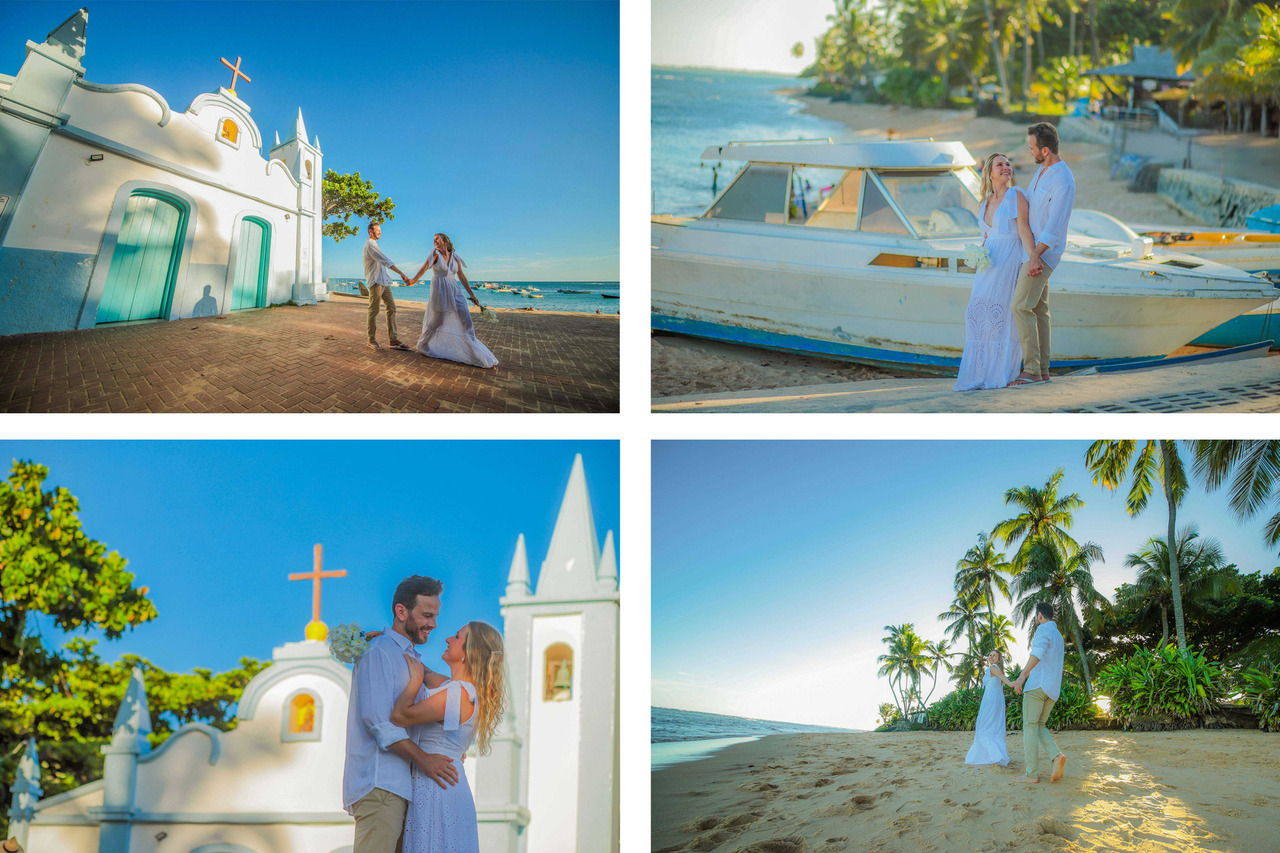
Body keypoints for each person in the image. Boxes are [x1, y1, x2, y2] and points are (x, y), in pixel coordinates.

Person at [343, 576, 458, 853]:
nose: (433, 624)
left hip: (403, 788)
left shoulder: (409, 658)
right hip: (380, 784)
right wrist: (425, 760)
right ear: (401, 611)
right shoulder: (379, 652)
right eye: (427, 615)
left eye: (435, 616)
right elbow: (379, 723)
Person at [391, 621, 508, 853]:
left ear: (469, 653)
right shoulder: (456, 688)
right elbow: (424, 670)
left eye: (456, 637)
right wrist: (388, 642)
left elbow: (400, 716)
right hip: (444, 780)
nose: (447, 639)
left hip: (435, 785)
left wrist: (414, 682)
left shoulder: (457, 695)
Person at [953, 153, 1036, 391]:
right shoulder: (984, 202)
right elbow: (985, 237)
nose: (1006, 167)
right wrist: (976, 254)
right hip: (987, 265)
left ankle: (1001, 373)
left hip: (1008, 261)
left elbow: (1024, 231)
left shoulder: (1016, 195)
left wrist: (1033, 259)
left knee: (1000, 318)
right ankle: (978, 372)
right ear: (990, 172)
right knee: (975, 315)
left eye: (1008, 164)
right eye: (1000, 164)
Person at [1010, 122, 1076, 385]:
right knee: (1038, 309)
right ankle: (1044, 371)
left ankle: (1032, 369)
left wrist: (1035, 256)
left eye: (1032, 148)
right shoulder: (1042, 171)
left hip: (1043, 254)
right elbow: (1030, 201)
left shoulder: (1063, 180)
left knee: (1020, 306)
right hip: (1033, 251)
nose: (1029, 152)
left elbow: (1054, 226)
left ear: (1045, 150)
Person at [409, 233, 499, 368]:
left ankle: (476, 354)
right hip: (439, 291)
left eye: (437, 239)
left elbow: (462, 276)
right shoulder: (434, 255)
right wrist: (413, 280)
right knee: (437, 321)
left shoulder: (455, 257)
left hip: (455, 291)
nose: (434, 242)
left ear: (445, 241)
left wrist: (472, 295)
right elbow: (423, 269)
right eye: (433, 240)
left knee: (466, 320)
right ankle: (423, 344)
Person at [1011, 601, 1067, 784]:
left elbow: (1037, 653)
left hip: (1037, 685)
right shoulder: (1059, 636)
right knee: (1039, 725)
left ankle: (1031, 774)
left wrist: (1022, 676)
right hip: (1052, 689)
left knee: (1029, 726)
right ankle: (1056, 756)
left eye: (1036, 616)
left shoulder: (1043, 629)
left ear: (1040, 615)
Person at [363, 221, 414, 351]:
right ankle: (371, 340)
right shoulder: (370, 244)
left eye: (380, 230)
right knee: (373, 311)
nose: (380, 232)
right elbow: (385, 260)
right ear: (370, 231)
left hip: (384, 281)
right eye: (377, 230)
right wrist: (401, 273)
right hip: (376, 282)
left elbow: (382, 263)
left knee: (391, 307)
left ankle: (393, 340)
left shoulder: (375, 244)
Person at [965, 650, 1014, 766]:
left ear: (998, 659)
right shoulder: (994, 668)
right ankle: (994, 756)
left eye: (994, 655)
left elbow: (1002, 677)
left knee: (983, 727)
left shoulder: (993, 667)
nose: (991, 657)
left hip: (991, 700)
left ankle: (995, 756)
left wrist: (1011, 684)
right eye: (990, 655)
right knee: (993, 727)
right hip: (995, 699)